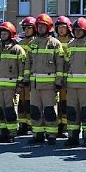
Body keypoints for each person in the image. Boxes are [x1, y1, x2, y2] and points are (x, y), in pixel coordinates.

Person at [25, 13, 64, 145]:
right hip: (35, 85)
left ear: (49, 27)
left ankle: (52, 135)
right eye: (39, 26)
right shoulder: (33, 43)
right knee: (35, 111)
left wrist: (59, 82)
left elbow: (60, 64)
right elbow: (27, 63)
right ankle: (38, 134)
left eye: (43, 26)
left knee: (49, 111)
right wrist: (26, 79)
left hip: (49, 85)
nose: (41, 28)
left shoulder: (55, 44)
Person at [62, 17, 86, 147]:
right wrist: (65, 81)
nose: (77, 32)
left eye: (80, 30)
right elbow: (66, 64)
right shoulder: (70, 44)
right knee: (72, 112)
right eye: (75, 30)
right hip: (72, 86)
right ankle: (72, 136)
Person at [0, 21, 27, 143]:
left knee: (10, 110)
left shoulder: (18, 50)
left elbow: (22, 69)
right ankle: (2, 133)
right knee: (0, 110)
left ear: (11, 34)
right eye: (1, 33)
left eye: (5, 32)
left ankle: (11, 133)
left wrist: (20, 85)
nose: (2, 35)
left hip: (11, 88)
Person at [16, 16, 37, 136]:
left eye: (29, 28)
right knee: (21, 102)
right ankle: (22, 125)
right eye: (25, 28)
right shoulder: (20, 43)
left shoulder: (36, 43)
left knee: (31, 103)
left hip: (32, 78)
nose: (27, 30)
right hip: (21, 78)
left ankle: (32, 124)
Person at [53, 16, 73, 139]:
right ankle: (57, 126)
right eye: (59, 27)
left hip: (69, 78)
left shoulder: (72, 42)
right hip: (55, 77)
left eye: (63, 27)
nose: (61, 30)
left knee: (66, 103)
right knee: (56, 103)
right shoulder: (53, 42)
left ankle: (65, 127)